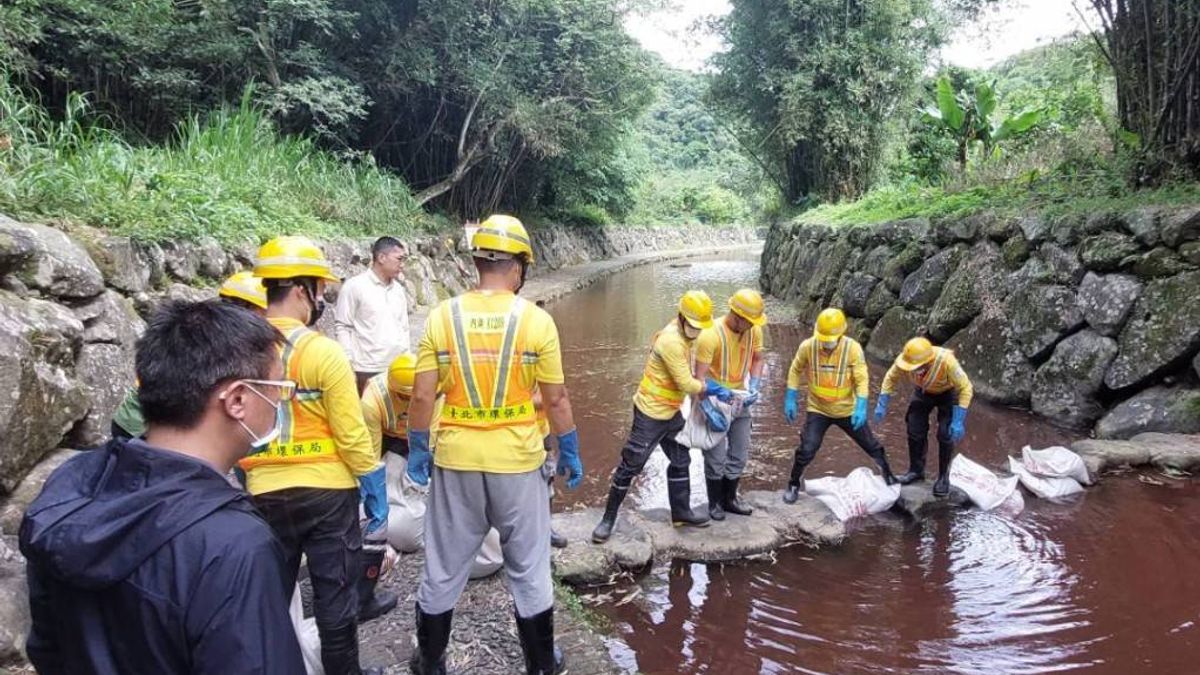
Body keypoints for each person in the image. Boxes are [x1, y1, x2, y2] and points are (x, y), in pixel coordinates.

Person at [19, 299, 304, 674]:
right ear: (237, 399)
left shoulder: (74, 482)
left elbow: (47, 647)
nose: (280, 401)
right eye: (278, 387)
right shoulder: (233, 544)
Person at [404, 215, 584, 675]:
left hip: (456, 459)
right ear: (519, 266)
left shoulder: (443, 316)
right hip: (518, 462)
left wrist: (419, 446)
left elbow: (422, 396)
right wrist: (568, 447)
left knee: (443, 565)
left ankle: (430, 662)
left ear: (476, 262)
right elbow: (556, 398)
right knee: (529, 566)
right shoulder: (537, 321)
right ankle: (541, 664)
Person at [244, 235, 390, 675]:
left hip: (263, 493)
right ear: (301, 289)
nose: (321, 297)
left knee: (270, 600)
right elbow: (350, 432)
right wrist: (372, 480)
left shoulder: (241, 351)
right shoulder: (323, 352)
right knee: (335, 601)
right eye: (319, 288)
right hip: (327, 494)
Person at [591, 290, 735, 544]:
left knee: (681, 458)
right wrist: (712, 388)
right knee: (631, 464)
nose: (697, 331)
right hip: (650, 413)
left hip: (670, 412)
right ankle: (607, 519)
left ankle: (681, 513)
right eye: (693, 326)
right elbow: (687, 383)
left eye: (699, 327)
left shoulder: (685, 336)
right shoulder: (671, 341)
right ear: (681, 317)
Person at [110, 271, 269, 441]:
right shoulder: (219, 342)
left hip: (133, 418)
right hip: (144, 425)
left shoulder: (198, 327)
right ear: (253, 309)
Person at [781, 308, 896, 503]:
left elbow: (861, 378)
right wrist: (791, 397)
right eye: (823, 339)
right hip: (818, 408)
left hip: (847, 409)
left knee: (871, 445)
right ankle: (793, 483)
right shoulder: (808, 347)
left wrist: (861, 406)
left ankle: (887, 472)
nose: (826, 343)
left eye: (830, 340)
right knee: (807, 448)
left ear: (841, 334)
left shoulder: (852, 349)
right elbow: (795, 369)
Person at [693, 288, 767, 520]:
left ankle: (730, 499)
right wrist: (707, 409)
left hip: (739, 397)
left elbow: (757, 359)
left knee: (740, 453)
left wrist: (754, 384)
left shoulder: (754, 331)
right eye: (749, 321)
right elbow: (698, 379)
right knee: (715, 457)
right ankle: (715, 502)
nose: (752, 326)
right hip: (713, 398)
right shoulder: (710, 335)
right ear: (736, 316)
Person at [873, 336, 974, 497]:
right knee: (914, 427)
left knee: (945, 433)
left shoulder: (946, 362)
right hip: (923, 391)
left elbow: (966, 388)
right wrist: (882, 403)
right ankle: (916, 471)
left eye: (918, 367)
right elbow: (890, 377)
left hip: (948, 394)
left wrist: (959, 419)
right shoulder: (906, 359)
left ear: (928, 361)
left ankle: (943, 477)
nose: (913, 369)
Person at [335, 236, 411, 393]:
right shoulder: (354, 287)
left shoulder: (398, 290)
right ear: (381, 258)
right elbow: (343, 326)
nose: (402, 265)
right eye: (399, 259)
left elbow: (404, 327)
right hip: (366, 369)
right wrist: (348, 363)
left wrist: (407, 358)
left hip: (397, 368)